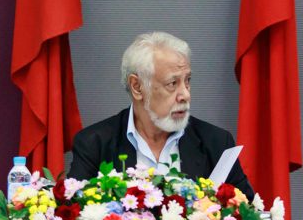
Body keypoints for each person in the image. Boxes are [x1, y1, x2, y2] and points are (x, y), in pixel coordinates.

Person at [68, 31, 254, 198]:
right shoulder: (94, 144)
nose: (185, 95)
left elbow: (247, 214)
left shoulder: (216, 143)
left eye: (187, 80)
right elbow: (76, 214)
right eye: (172, 83)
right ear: (137, 87)